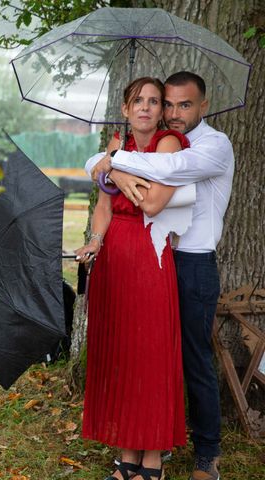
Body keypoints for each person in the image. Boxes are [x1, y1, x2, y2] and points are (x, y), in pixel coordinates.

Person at [86, 71, 234, 480]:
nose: (172, 112)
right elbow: (108, 166)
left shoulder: (211, 146)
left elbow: (164, 171)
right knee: (147, 355)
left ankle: (207, 454)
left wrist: (109, 165)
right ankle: (144, 444)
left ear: (203, 105)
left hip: (192, 263)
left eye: (182, 105)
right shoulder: (144, 143)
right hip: (158, 256)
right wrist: (107, 166)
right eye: (167, 104)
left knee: (192, 359)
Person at [77, 76, 190, 480]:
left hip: (150, 254)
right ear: (125, 109)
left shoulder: (168, 145)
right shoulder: (116, 145)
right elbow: (104, 207)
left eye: (154, 101)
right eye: (137, 101)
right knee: (123, 355)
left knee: (151, 353)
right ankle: (127, 458)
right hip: (115, 257)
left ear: (162, 111)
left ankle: (153, 463)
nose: (145, 107)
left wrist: (116, 168)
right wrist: (94, 240)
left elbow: (153, 202)